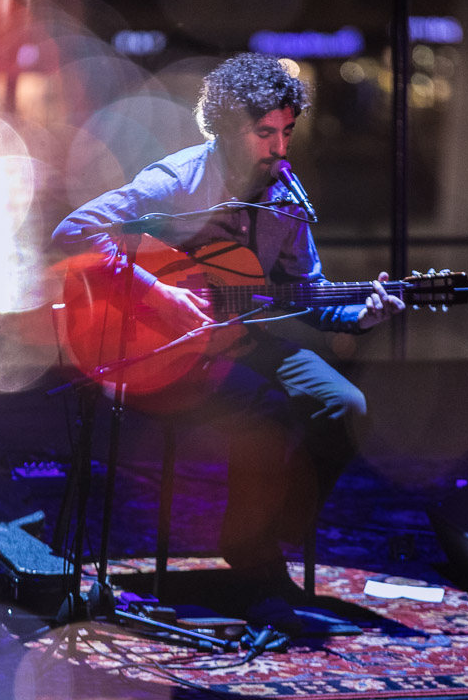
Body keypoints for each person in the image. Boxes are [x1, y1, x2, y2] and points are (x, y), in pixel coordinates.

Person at [51, 52, 405, 633]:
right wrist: (156, 294)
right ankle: (255, 567)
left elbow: (306, 291)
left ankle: (257, 540)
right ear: (225, 125)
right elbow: (76, 232)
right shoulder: (177, 180)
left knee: (346, 405)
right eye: (265, 133)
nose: (280, 148)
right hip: (165, 358)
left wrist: (360, 316)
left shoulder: (287, 196)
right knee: (265, 412)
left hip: (237, 341)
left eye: (287, 132)